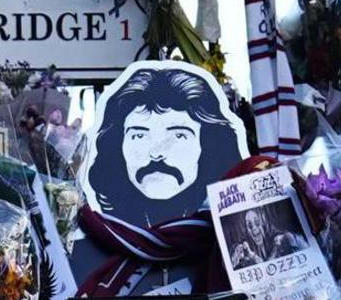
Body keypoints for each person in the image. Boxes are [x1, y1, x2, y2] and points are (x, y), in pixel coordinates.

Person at [85, 62, 249, 233]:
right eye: (139, 136)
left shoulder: (231, 240)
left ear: (207, 146)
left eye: (178, 135)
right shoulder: (99, 237)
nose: (156, 153)